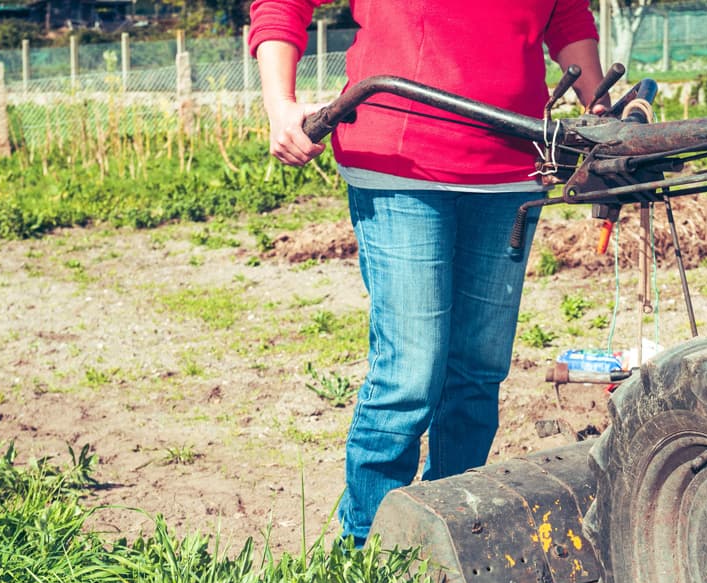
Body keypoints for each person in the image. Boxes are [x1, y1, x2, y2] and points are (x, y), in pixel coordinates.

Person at [248, 3, 607, 545]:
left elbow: (567, 17)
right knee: (410, 374)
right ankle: (366, 553)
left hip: (512, 165)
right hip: (400, 163)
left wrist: (600, 109)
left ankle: (453, 536)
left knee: (478, 372)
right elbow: (282, 7)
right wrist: (280, 104)